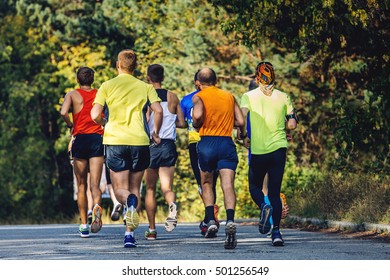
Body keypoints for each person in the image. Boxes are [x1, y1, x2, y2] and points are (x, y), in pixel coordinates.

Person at [91, 49, 163, 248]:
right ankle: (129, 235)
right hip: (140, 141)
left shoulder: (107, 86)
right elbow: (158, 110)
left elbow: (94, 114)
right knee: (135, 188)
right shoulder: (145, 87)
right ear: (135, 67)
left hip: (115, 140)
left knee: (121, 189)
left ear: (117, 65)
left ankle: (128, 203)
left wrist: (104, 122)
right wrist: (155, 132)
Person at [239, 61, 297, 246]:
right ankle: (277, 233)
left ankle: (264, 207)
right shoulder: (283, 96)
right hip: (279, 149)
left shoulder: (248, 96)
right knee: (274, 191)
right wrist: (285, 125)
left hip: (258, 150)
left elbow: (240, 119)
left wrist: (243, 136)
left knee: (255, 187)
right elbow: (292, 124)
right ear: (274, 77)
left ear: (257, 78)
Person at [192, 68, 245, 249]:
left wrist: (196, 123)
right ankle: (230, 219)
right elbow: (241, 120)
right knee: (227, 184)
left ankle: (211, 220)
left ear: (199, 82)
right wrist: (241, 132)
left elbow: (197, 116)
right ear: (215, 80)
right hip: (226, 143)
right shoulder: (229, 96)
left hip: (207, 143)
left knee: (207, 182)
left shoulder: (199, 96)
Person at [60, 66, 104, 238]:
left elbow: (63, 112)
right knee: (95, 184)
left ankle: (84, 224)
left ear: (78, 80)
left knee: (81, 185)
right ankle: (97, 207)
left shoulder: (72, 94)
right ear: (92, 80)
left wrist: (70, 125)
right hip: (97, 139)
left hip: (80, 139)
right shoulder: (99, 93)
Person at [143, 64, 186, 240]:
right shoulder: (173, 97)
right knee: (167, 187)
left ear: (148, 78)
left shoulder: (146, 97)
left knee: (151, 189)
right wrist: (170, 124)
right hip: (168, 144)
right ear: (163, 77)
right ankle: (171, 204)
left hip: (151, 145)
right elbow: (182, 123)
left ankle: (152, 230)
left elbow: (144, 121)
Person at [180, 70, 220, 236]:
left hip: (196, 143)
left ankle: (208, 218)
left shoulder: (187, 99)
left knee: (203, 183)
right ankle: (209, 216)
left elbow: (182, 123)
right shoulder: (221, 97)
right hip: (217, 140)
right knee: (213, 181)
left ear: (197, 82)